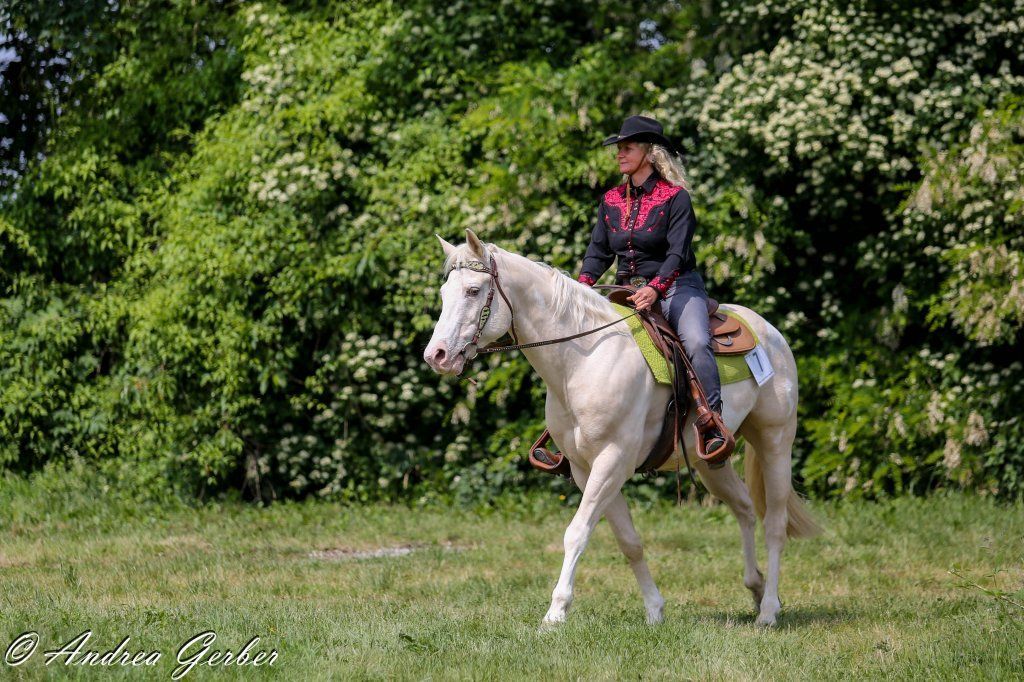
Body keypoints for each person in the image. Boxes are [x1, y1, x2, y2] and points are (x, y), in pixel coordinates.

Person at [576, 114, 726, 456]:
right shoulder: (610, 200)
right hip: (625, 291)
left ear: (649, 152)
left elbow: (678, 252)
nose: (620, 154)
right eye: (619, 148)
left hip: (676, 287)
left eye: (627, 147)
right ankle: (567, 435)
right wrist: (583, 286)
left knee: (698, 341)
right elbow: (598, 252)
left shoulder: (676, 198)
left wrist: (656, 288)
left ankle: (712, 421)